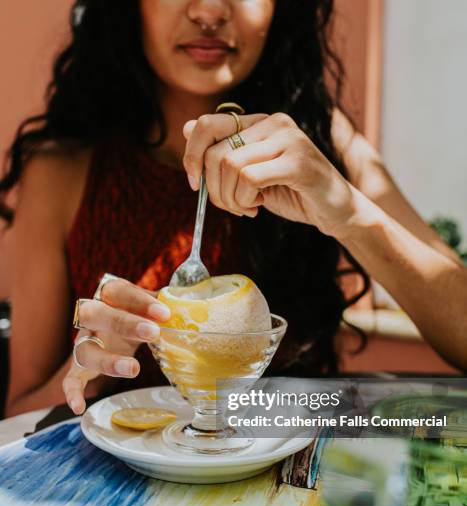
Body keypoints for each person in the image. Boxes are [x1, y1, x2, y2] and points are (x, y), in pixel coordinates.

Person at [1, 0, 465, 418]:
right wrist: (94, 369)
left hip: (293, 495)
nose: (208, 11)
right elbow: (17, 414)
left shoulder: (318, 145)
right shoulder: (62, 172)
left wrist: (348, 214)